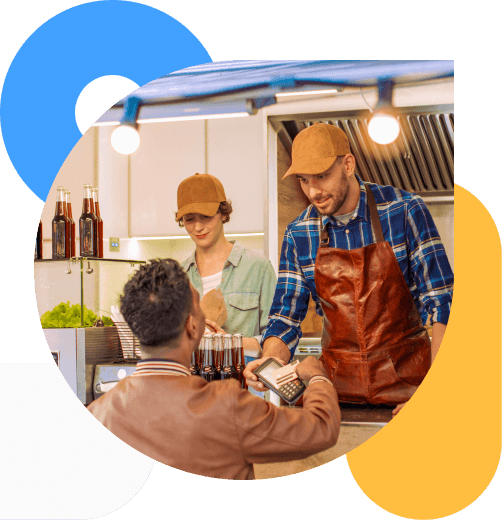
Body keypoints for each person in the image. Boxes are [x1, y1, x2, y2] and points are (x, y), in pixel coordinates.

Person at [244, 123, 454, 416]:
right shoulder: (299, 233)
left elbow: (444, 303)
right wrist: (270, 363)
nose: (313, 191)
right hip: (334, 395)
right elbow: (285, 318)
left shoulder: (404, 211)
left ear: (348, 164)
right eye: (304, 180)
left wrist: (437, 390)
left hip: (408, 392)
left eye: (321, 176)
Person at [87, 258, 341, 480]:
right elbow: (321, 428)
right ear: (192, 327)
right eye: (198, 306)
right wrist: (317, 378)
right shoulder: (227, 406)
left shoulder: (98, 413)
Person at [175, 173, 277, 365]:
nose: (197, 227)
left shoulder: (258, 268)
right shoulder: (178, 277)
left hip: (241, 388)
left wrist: (230, 343)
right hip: (190, 388)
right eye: (189, 219)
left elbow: (275, 339)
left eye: (205, 216)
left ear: (223, 213)